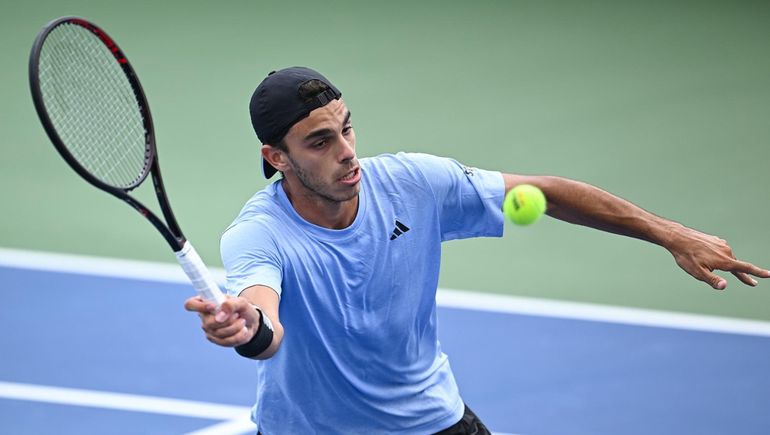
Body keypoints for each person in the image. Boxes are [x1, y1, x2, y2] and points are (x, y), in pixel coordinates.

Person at [184, 66, 769, 434]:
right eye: (320, 142)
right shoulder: (259, 233)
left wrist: (669, 233)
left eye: (347, 128)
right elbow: (265, 325)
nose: (347, 151)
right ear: (277, 158)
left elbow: (548, 192)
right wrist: (247, 327)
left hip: (430, 420)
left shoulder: (414, 183)